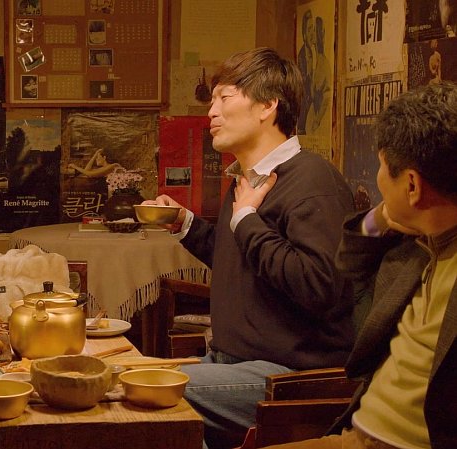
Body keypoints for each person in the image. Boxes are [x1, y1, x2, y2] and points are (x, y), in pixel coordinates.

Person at [143, 47, 356, 449]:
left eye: (224, 98)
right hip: (231, 364)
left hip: (289, 376)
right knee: (125, 379)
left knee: (146, 394)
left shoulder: (313, 181)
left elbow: (319, 285)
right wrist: (185, 224)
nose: (211, 112)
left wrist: (246, 220)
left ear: (267, 106)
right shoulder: (250, 179)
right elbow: (244, 259)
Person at [262, 82, 457, 449]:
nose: (379, 179)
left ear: (412, 185)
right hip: (356, 432)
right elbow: (350, 255)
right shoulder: (418, 241)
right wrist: (382, 217)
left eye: (381, 167)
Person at [297, 9, 316, 134]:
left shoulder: (315, 52)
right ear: (304, 35)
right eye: (309, 30)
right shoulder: (302, 56)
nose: (312, 34)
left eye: (313, 29)